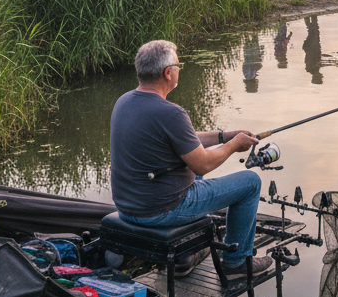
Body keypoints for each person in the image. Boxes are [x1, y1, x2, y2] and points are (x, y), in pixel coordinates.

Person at [110, 40, 273, 280]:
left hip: (128, 207)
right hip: (162, 210)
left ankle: (185, 255)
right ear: (168, 73)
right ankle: (236, 263)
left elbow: (184, 140)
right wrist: (234, 145)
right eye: (178, 66)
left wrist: (224, 136)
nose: (179, 70)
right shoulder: (172, 113)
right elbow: (202, 164)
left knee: (192, 167)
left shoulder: (123, 101)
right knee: (250, 182)